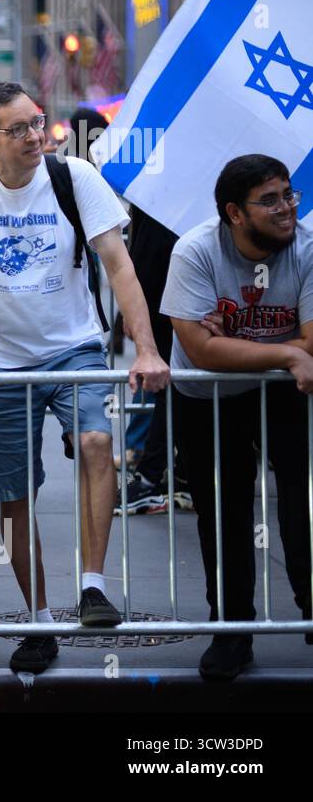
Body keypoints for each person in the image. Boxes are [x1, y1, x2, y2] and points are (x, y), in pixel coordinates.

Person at [0, 81, 169, 675]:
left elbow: (119, 265)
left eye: (38, 123)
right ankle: (36, 619)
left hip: (73, 348)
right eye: (19, 129)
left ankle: (91, 587)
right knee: (13, 492)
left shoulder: (74, 177)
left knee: (97, 442)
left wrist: (147, 350)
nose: (36, 136)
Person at [161, 154, 313, 680]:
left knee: (304, 500)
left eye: (288, 195)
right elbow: (200, 352)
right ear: (235, 213)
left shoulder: (308, 247)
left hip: (283, 392)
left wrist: (263, 350)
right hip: (209, 397)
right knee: (222, 515)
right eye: (269, 200)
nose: (287, 208)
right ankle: (231, 631)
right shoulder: (196, 251)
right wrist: (289, 351)